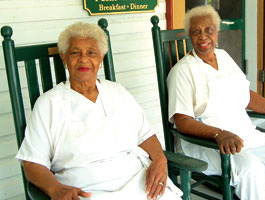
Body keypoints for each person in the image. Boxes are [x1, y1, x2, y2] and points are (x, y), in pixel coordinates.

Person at [16, 22, 182, 200]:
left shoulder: (118, 92)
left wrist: (160, 159)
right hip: (87, 190)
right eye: (75, 52)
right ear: (64, 57)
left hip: (139, 183)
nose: (84, 59)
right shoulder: (48, 104)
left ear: (101, 58)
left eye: (91, 53)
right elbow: (32, 163)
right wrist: (55, 188)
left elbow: (146, 135)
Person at [167, 5, 265, 200]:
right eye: (196, 31)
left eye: (209, 30)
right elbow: (182, 120)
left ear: (217, 32)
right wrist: (219, 134)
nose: (203, 36)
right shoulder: (182, 72)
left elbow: (245, 93)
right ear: (189, 35)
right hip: (208, 144)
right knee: (253, 171)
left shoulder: (224, 57)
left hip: (245, 135)